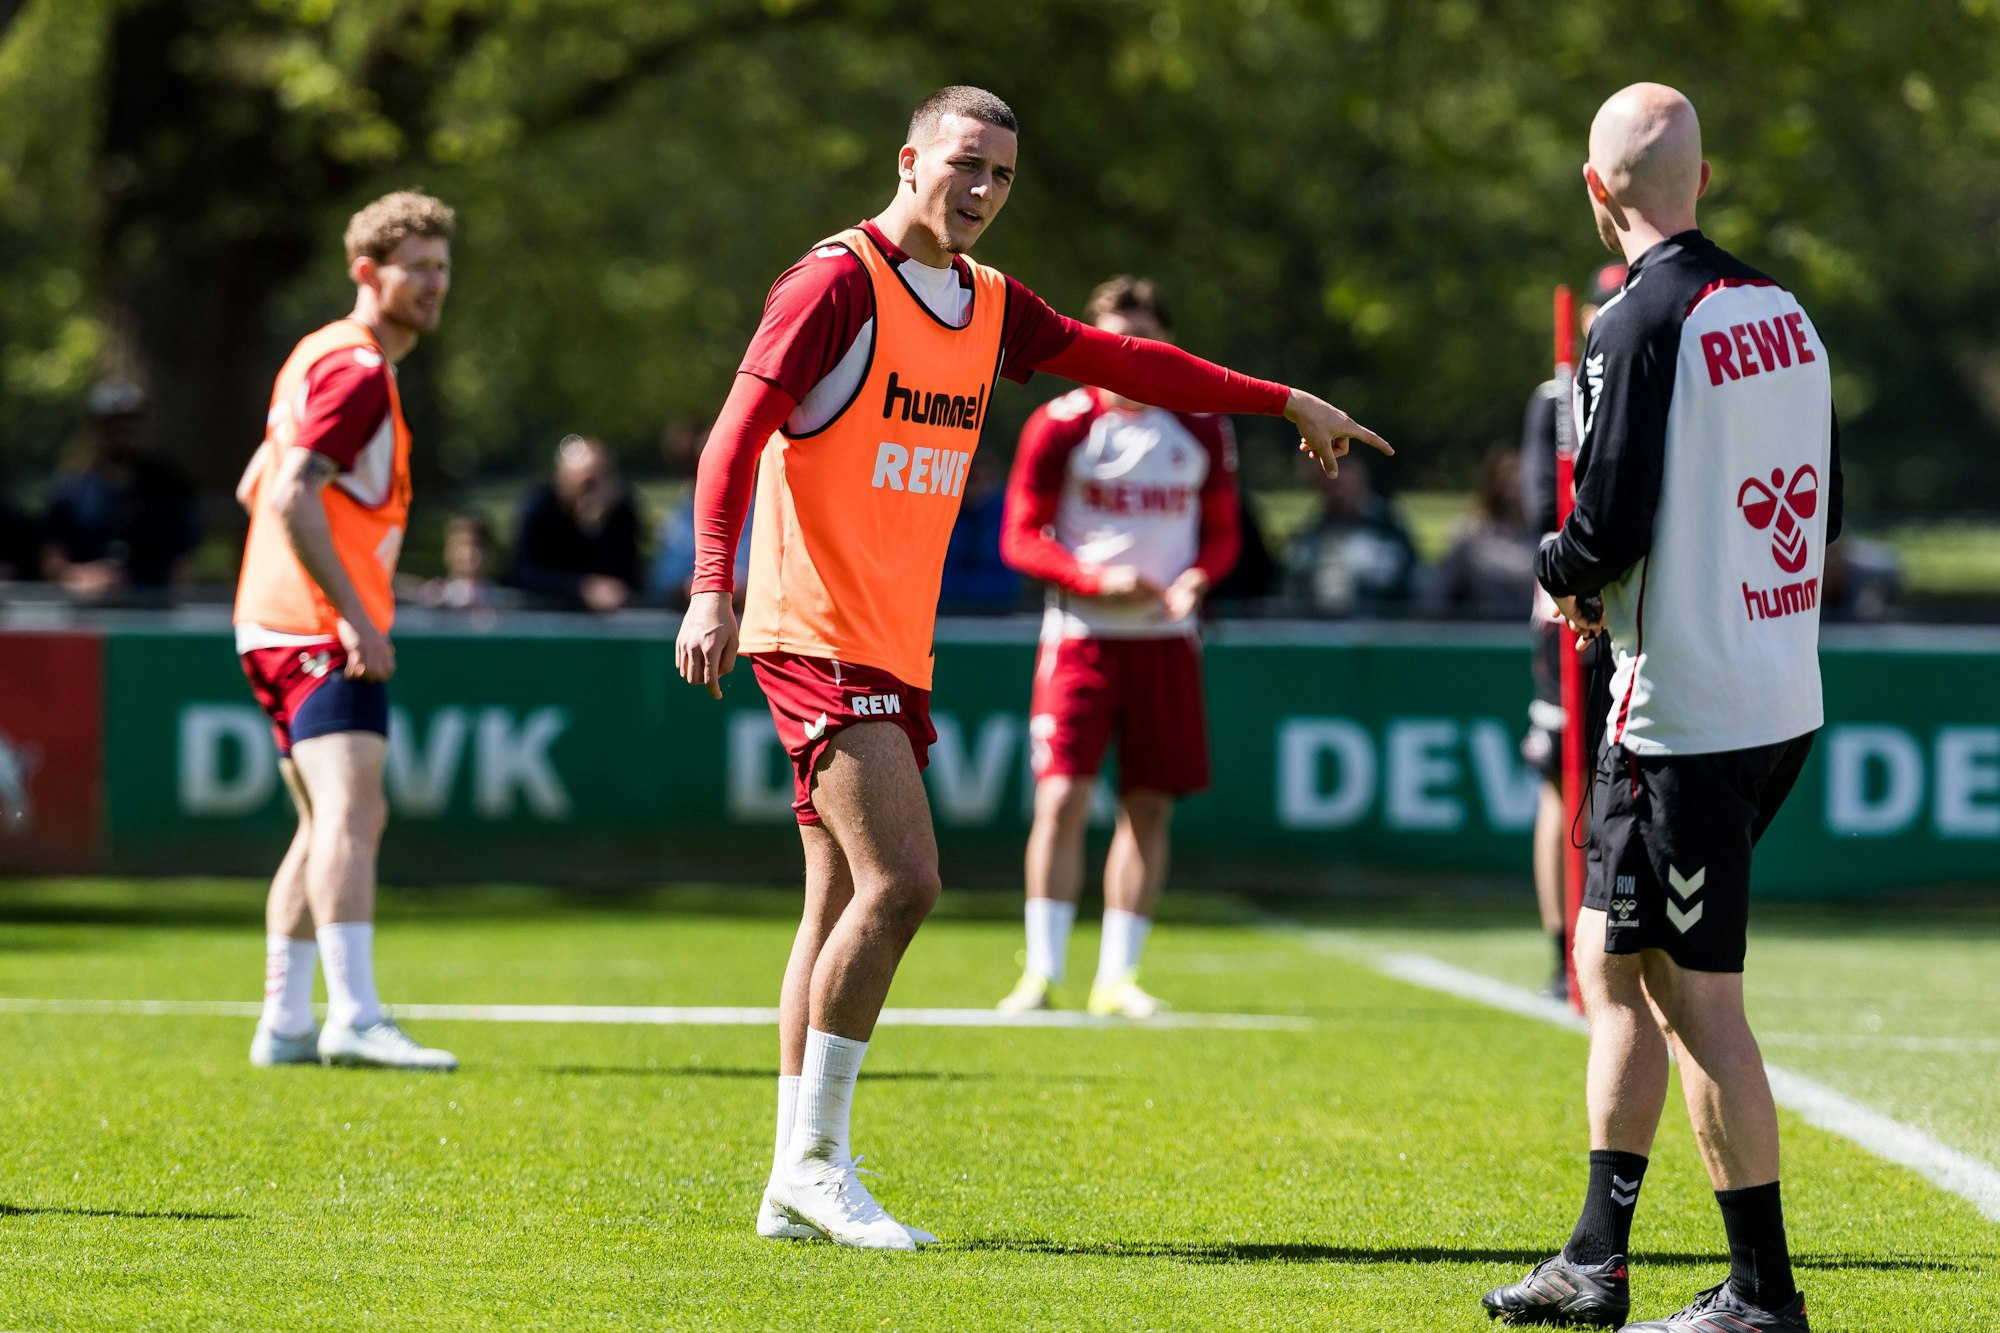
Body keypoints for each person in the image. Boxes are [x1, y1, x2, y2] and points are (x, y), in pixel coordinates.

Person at [675, 85, 1389, 1251]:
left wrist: (1280, 400)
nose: (981, 189)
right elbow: (731, 435)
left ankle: (787, 1178)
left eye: (1001, 175)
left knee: (835, 902)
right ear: (909, 159)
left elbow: (1131, 363)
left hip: (891, 643)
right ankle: (814, 1163)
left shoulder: (988, 305)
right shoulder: (831, 283)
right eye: (964, 163)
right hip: (810, 629)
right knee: (903, 883)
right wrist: (713, 582)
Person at [1483, 84, 1838, 1333]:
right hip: (1774, 690)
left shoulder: (1630, 320)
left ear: (1595, 190)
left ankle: (1760, 1293)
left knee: (1693, 997)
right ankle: (1595, 1260)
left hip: (1679, 710)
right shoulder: (1785, 312)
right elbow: (1819, 514)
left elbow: (1606, 516)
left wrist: (1557, 574)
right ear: (1707, 177)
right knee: (1606, 961)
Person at [232, 190, 460, 1072]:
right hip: (317, 628)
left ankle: (287, 1020)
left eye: (444, 267)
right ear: (369, 274)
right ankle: (354, 1014)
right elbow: (287, 493)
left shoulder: (315, 354)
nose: (436, 284)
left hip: (271, 622)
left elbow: (260, 481)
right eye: (419, 269)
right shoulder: (360, 370)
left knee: (323, 820)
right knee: (355, 812)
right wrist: (356, 611)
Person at [994, 276, 1239, 1018]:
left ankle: (1119, 976)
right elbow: (1020, 536)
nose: (1126, 357)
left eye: (1140, 341)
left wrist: (1197, 578)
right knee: (1062, 797)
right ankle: (1041, 972)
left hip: (1166, 641)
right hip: (1081, 639)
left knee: (1149, 807)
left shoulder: (1199, 425)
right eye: (1111, 341)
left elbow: (1223, 534)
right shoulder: (1060, 423)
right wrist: (1094, 579)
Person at [1520, 264, 1624, 1001]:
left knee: (1620, 766)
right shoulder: (1558, 398)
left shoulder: (1655, 378)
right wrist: (1572, 582)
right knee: (1564, 774)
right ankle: (1563, 949)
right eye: (1606, 302)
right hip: (1566, 598)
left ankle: (1616, 933)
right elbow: (1540, 505)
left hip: (1634, 602)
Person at [40, 381, 198, 600]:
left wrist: (175, 607)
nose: (123, 431)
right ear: (98, 428)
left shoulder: (168, 484)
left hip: (154, 610)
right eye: (113, 423)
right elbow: (51, 556)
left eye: (130, 422)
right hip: (86, 615)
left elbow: (183, 561)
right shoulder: (71, 488)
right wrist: (76, 576)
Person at [508, 434, 644, 611]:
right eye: (588, 484)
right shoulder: (539, 508)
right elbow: (522, 573)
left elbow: (629, 575)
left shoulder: (621, 511)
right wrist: (581, 587)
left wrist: (596, 530)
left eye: (605, 478)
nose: (595, 491)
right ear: (563, 480)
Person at [1281, 449, 1418, 615]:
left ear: (1362, 473)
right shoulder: (1308, 537)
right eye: (1323, 478)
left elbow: (1409, 592)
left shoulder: (1389, 530)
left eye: (1343, 469)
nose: (1334, 485)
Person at [1422, 441, 1535, 619]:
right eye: (1510, 474)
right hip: (1488, 632)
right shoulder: (1471, 537)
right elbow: (1437, 598)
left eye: (1524, 473)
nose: (1518, 481)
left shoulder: (1551, 534)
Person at [937, 449, 1019, 614]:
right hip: (944, 618)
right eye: (972, 479)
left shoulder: (1006, 515)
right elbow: (934, 581)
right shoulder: (941, 515)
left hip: (999, 619)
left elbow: (1008, 584)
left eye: (987, 478)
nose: (979, 487)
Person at [417, 511, 499, 612]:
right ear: (447, 550)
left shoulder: (508, 599)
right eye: (460, 545)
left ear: (491, 550)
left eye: (477, 544)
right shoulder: (433, 597)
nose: (468, 553)